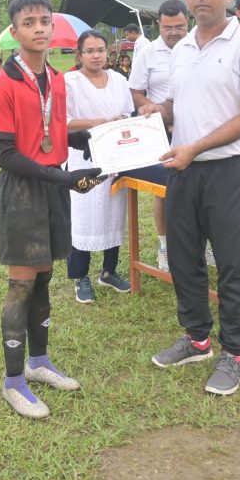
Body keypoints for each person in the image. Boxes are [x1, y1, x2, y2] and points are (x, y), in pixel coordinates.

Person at [152, 0, 240, 397]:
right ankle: (197, 338)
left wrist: (195, 148)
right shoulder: (181, 48)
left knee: (231, 263)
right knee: (184, 258)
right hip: (183, 169)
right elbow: (178, 105)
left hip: (225, 169)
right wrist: (154, 112)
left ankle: (235, 354)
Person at [0, 0, 103, 419]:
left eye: (44, 21)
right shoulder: (3, 83)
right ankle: (13, 382)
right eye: (29, 22)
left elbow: (48, 131)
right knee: (21, 284)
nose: (39, 29)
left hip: (52, 185)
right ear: (14, 32)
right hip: (22, 190)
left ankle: (38, 362)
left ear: (53, 28)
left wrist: (84, 138)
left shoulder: (56, 78)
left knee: (45, 279)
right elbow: (6, 154)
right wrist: (63, 178)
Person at [65, 30, 136, 303]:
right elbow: (63, 120)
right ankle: (80, 276)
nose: (96, 56)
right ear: (79, 54)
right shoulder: (70, 82)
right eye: (90, 51)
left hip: (114, 156)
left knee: (113, 213)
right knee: (84, 216)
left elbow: (128, 112)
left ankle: (109, 271)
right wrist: (97, 122)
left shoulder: (119, 79)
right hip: (83, 156)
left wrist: (119, 120)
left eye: (100, 50)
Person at [128, 0, 189, 272]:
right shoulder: (148, 53)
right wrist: (158, 112)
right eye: (168, 27)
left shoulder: (199, 48)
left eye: (179, 27)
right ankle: (165, 246)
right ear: (158, 25)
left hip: (197, 130)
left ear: (188, 22)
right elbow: (136, 92)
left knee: (202, 187)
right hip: (161, 130)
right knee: (164, 190)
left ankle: (202, 244)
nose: (174, 33)